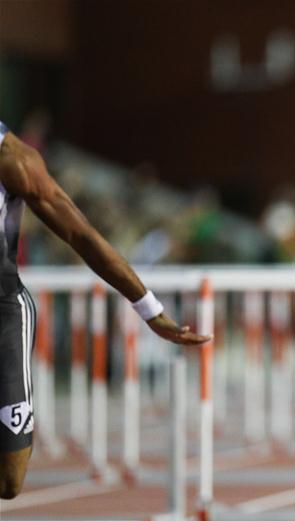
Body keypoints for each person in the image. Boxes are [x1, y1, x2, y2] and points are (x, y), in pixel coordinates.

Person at [0, 122, 211, 500]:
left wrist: (148, 308)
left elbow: (82, 235)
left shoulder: (15, 160)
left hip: (3, 312)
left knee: (10, 479)